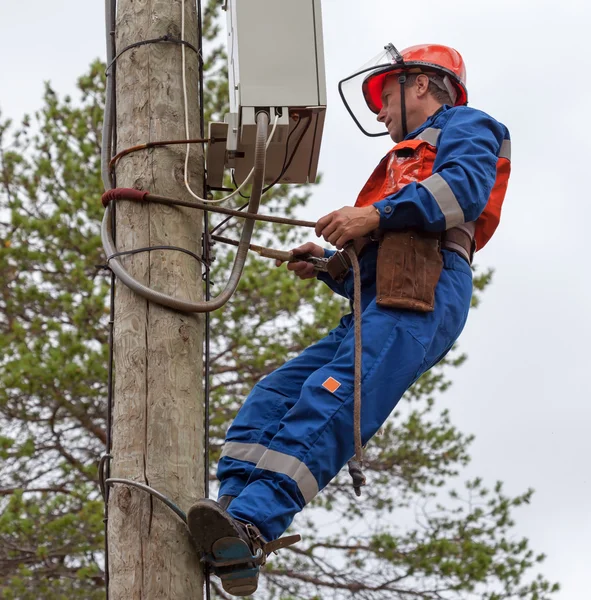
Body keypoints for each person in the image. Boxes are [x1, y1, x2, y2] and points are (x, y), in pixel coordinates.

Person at [188, 43, 511, 597]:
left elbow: (460, 192)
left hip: (425, 290)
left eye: (385, 97)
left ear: (422, 86)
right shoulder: (399, 162)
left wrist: (375, 214)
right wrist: (328, 265)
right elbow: (372, 260)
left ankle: (255, 523)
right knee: (273, 396)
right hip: (379, 297)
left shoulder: (468, 125)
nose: (380, 113)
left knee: (332, 395)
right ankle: (231, 520)